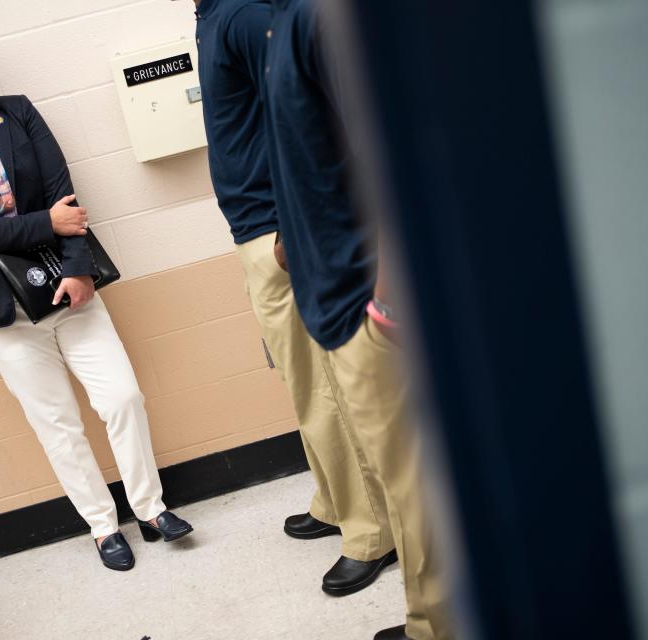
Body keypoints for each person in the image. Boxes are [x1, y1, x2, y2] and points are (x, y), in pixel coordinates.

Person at [0, 10, 192, 572]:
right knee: (58, 426)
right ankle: (103, 527)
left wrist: (78, 269)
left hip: (69, 285)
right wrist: (45, 223)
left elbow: (64, 197)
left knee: (121, 397)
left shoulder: (18, 112)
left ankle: (151, 510)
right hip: (0, 313)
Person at [187, 0, 397, 597]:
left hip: (276, 233)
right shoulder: (213, 19)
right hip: (257, 232)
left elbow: (311, 111)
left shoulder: (244, 16)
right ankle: (335, 502)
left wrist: (291, 226)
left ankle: (370, 533)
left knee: (324, 387)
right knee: (302, 382)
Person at [263, 0, 456, 638]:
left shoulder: (329, 16)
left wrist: (390, 305)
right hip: (337, 298)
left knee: (424, 497)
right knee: (410, 497)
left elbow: (401, 157)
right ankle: (429, 618)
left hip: (366, 309)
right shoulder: (286, 17)